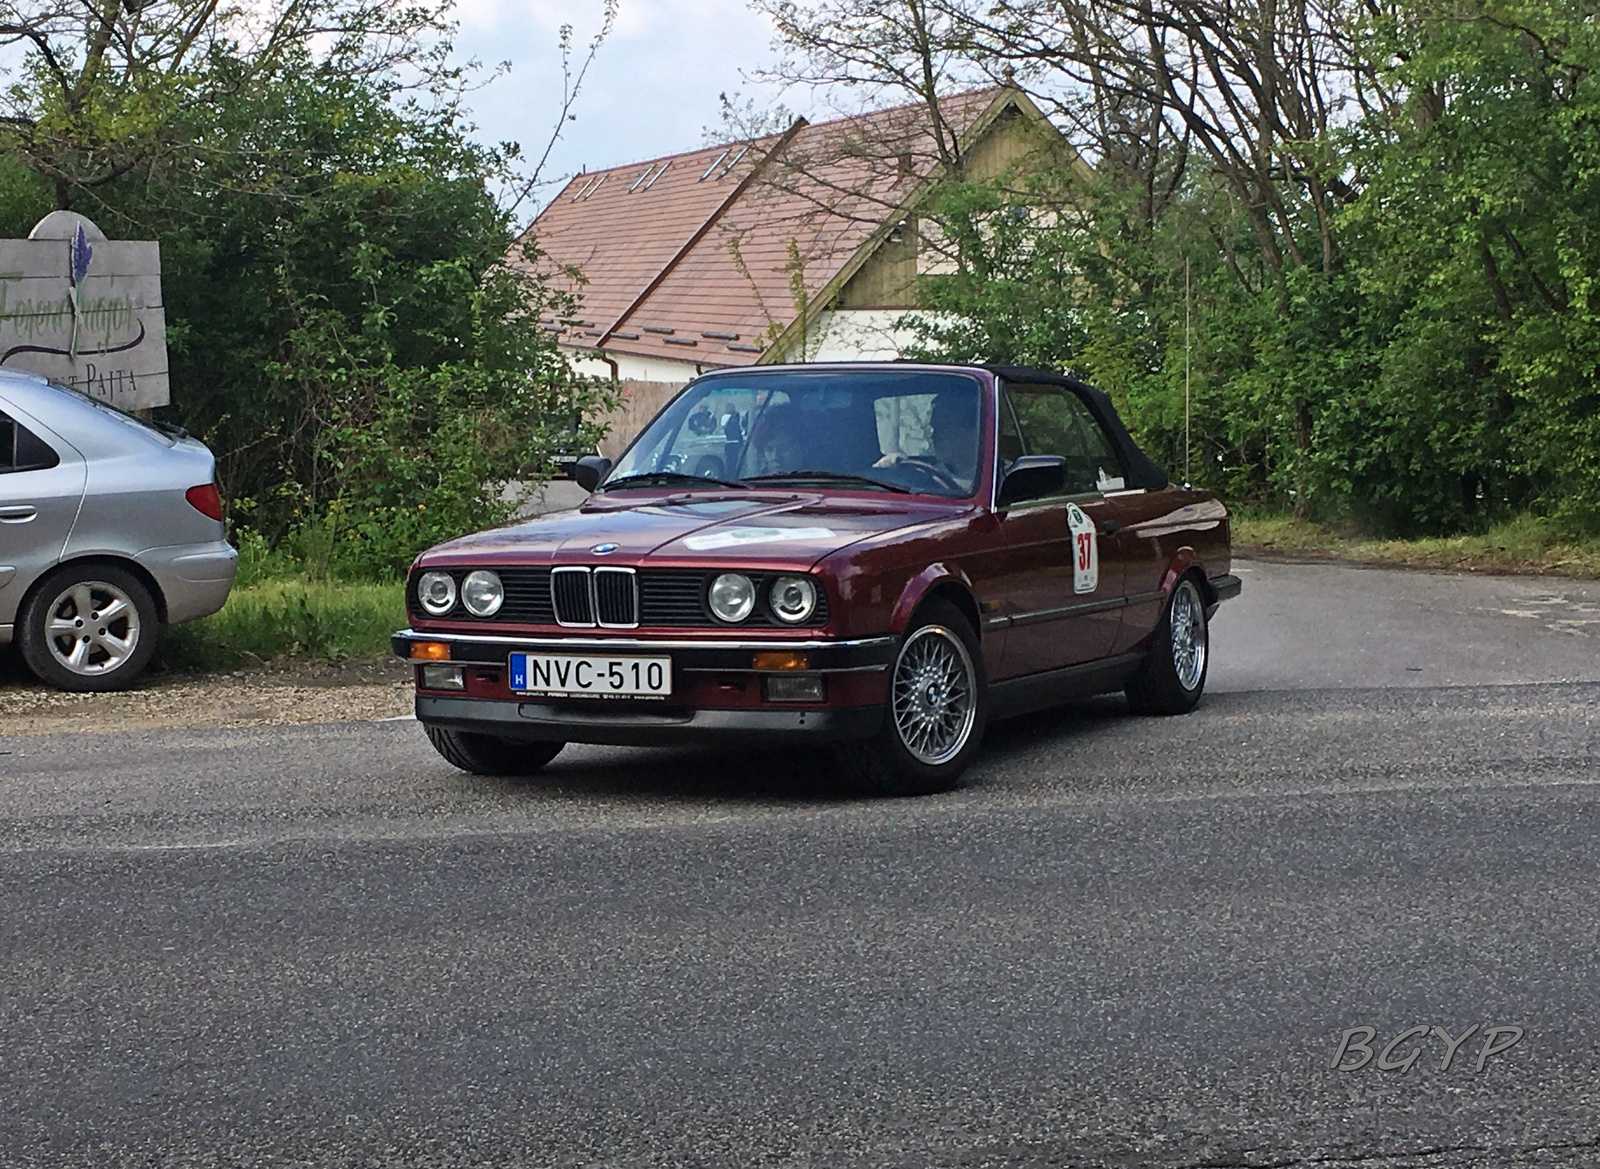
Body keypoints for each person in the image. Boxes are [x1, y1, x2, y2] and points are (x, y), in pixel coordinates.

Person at [875, 391, 978, 487]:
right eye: (934, 429)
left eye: (945, 429)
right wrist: (890, 466)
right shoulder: (928, 472)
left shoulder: (989, 476)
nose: (934, 437)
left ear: (973, 433)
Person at [746, 404, 808, 476]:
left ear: (803, 449)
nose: (775, 457)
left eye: (784, 448)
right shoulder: (753, 483)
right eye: (769, 449)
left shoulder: (820, 481)